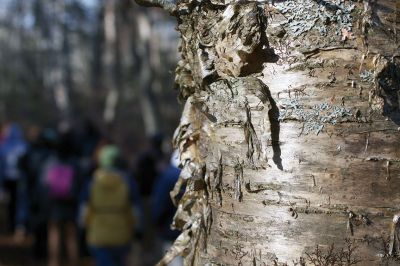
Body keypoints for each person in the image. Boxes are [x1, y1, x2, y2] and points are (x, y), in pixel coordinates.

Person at [80, 145, 140, 266]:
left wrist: (83, 226)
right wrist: (137, 228)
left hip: (98, 235)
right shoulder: (127, 181)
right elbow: (135, 211)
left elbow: (84, 210)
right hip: (122, 234)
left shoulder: (92, 182)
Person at [44, 129, 79, 266]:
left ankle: (53, 262)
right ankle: (73, 261)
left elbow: (45, 182)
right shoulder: (74, 162)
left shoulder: (51, 161)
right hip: (70, 200)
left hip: (54, 201)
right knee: (71, 234)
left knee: (54, 231)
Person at [151, 150, 183, 266]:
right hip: (192, 233)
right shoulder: (197, 175)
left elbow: (159, 205)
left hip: (170, 233)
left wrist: (156, 223)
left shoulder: (166, 177)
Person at [0, 123, 27, 233]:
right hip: (17, 180)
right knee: (17, 203)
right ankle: (17, 226)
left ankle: (13, 226)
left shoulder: (4, 147)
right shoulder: (23, 146)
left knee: (13, 204)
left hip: (10, 179)